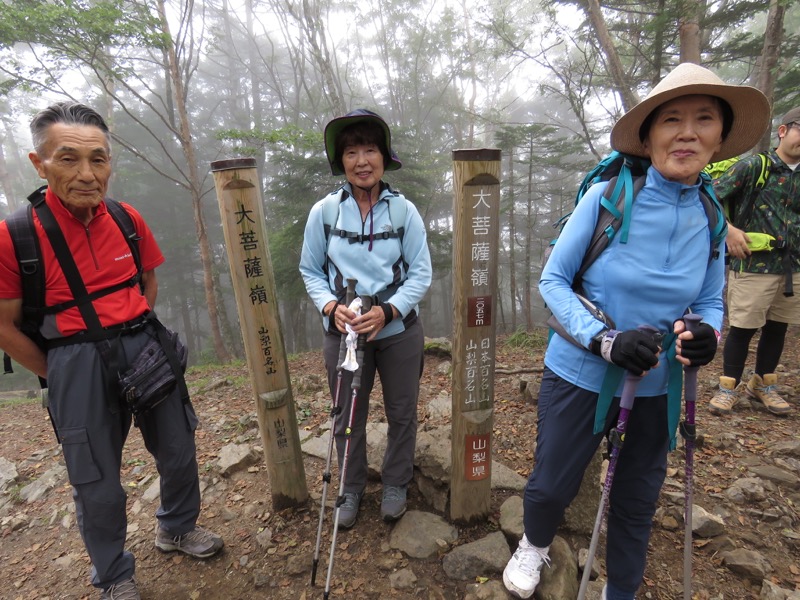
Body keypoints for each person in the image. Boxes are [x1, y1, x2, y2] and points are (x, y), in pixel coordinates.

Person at [502, 64, 770, 600]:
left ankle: (621, 588)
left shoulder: (711, 215)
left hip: (657, 382)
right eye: (672, 119)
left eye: (703, 120)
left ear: (719, 138)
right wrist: (605, 339)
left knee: (637, 495)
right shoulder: (607, 198)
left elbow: (711, 299)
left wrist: (708, 335)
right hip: (580, 371)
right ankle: (533, 543)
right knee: (554, 480)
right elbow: (553, 280)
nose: (687, 132)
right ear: (648, 137)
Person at [0, 102, 223, 600]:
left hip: (143, 344)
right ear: (40, 164)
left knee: (179, 448)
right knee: (96, 479)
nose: (86, 173)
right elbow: (5, 326)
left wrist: (134, 329)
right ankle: (114, 575)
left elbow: (147, 280)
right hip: (72, 362)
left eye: (98, 159)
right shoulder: (15, 235)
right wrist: (57, 369)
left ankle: (177, 527)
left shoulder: (125, 218)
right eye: (68, 158)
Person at [299, 109, 432, 528]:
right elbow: (310, 270)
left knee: (402, 411)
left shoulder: (403, 211)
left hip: (397, 332)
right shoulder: (325, 211)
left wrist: (389, 311)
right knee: (346, 414)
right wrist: (328, 306)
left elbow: (421, 271)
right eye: (352, 151)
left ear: (383, 156)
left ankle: (396, 482)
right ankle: (350, 488)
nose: (361, 160)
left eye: (370, 149)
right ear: (341, 161)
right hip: (344, 333)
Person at [708, 106, 800, 417]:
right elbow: (708, 197)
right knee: (743, 328)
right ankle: (728, 387)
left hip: (793, 267)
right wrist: (730, 231)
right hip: (753, 264)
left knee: (778, 328)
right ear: (784, 130)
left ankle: (762, 385)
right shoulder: (754, 166)